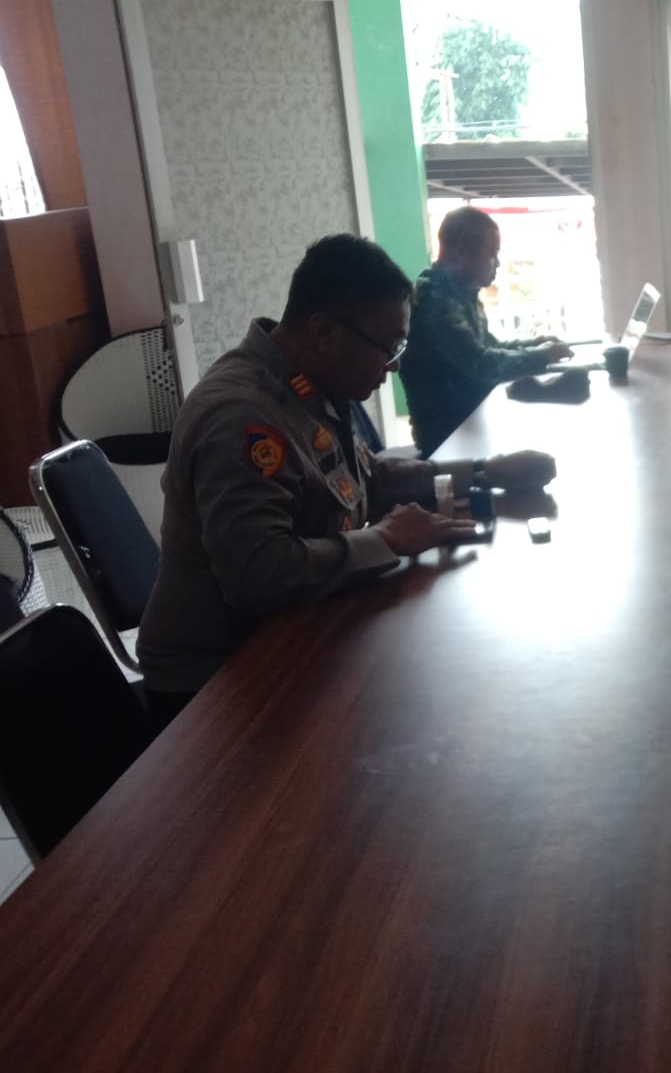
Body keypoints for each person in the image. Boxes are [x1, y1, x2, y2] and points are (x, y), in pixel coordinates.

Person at [138, 235, 559, 720]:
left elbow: (366, 480)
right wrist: (386, 540)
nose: (394, 365)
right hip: (216, 686)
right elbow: (259, 576)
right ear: (323, 331)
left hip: (292, 633)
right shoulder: (242, 415)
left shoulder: (305, 384)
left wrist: (483, 472)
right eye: (388, 346)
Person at [400, 205, 574, 454]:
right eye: (491, 252)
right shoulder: (436, 300)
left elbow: (488, 346)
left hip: (469, 426)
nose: (498, 262)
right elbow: (480, 364)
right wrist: (542, 356)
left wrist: (537, 345)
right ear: (462, 251)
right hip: (449, 439)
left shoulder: (458, 292)